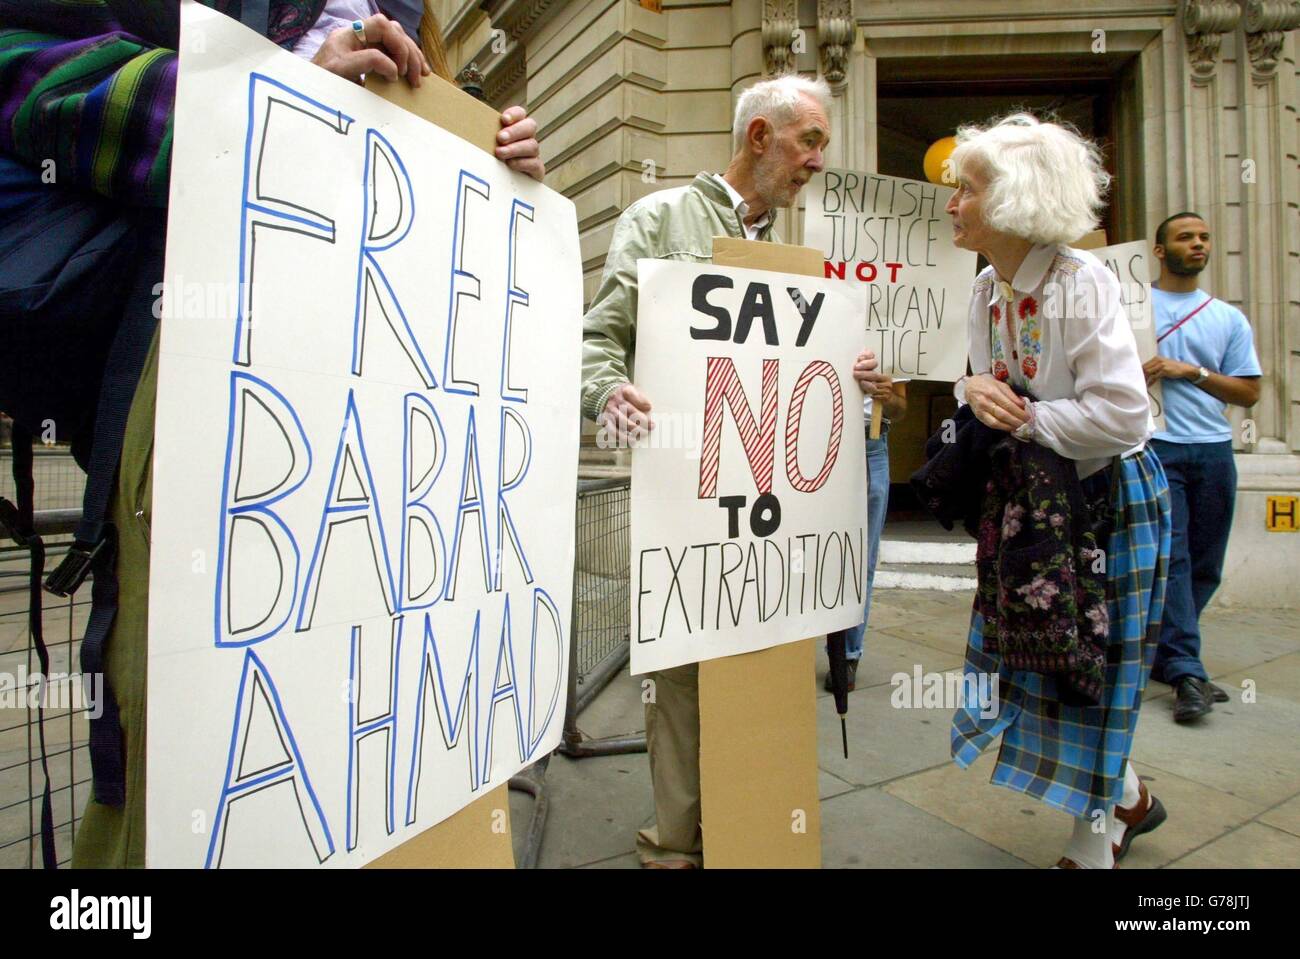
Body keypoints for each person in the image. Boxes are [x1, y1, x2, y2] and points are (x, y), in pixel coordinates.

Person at [0, 0, 545, 868]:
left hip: (398, 442)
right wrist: (259, 103)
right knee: (191, 736)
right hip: (218, 396)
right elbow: (24, 63)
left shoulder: (411, 19)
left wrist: (501, 164)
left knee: (385, 722)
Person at [581, 73, 833, 868]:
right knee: (680, 676)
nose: (819, 161)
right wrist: (606, 390)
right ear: (760, 136)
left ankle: (754, 831)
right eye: (810, 141)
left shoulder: (801, 257)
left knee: (765, 660)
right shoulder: (658, 220)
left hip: (774, 505)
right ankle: (675, 846)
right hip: (685, 499)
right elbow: (598, 339)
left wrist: (863, 376)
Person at [943, 114, 1172, 869]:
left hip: (1108, 501)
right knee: (1045, 656)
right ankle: (1130, 797)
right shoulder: (985, 287)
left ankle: (1093, 840)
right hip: (1031, 499)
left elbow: (1123, 412)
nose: (951, 203)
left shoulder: (1082, 282)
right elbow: (980, 388)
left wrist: (1030, 417)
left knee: (1096, 669)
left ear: (1012, 200)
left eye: (965, 190)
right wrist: (972, 386)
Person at [1143, 212, 1261, 723]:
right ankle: (1188, 672)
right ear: (1159, 249)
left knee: (1207, 561)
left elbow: (1249, 392)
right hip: (1156, 445)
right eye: (1185, 237)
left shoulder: (1228, 319)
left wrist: (1190, 371)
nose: (1197, 244)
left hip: (1213, 449)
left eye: (1204, 237)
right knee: (1175, 559)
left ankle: (1168, 655)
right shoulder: (1132, 307)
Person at [824, 354, 905, 691]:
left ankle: (846, 655)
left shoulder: (888, 333)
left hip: (871, 442)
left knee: (860, 559)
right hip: (820, 437)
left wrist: (888, 396)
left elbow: (900, 409)